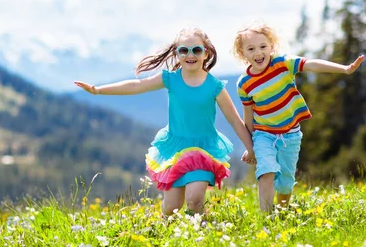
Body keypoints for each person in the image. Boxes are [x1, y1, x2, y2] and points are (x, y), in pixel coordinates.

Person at [75, 27, 256, 216]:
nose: (190, 55)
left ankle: (202, 228)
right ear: (177, 53)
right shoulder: (170, 79)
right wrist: (98, 90)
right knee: (171, 208)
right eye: (183, 50)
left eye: (196, 50)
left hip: (204, 150)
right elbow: (137, 86)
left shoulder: (215, 87)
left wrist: (250, 148)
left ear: (206, 53)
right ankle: (167, 230)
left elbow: (235, 120)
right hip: (175, 149)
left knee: (194, 200)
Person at [233, 22, 364, 212]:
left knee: (286, 183)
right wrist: (250, 146)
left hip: (290, 135)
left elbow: (310, 64)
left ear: (271, 46)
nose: (258, 52)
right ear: (242, 53)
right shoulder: (244, 84)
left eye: (262, 46)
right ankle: (266, 219)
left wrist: (344, 69)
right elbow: (248, 115)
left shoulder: (282, 63)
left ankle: (283, 211)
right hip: (264, 135)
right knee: (266, 171)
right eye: (251, 49)